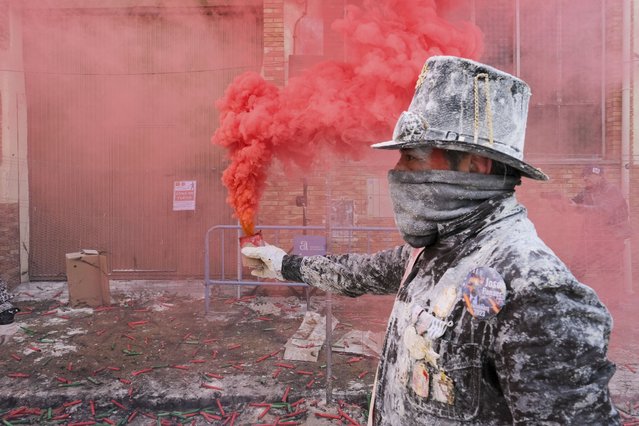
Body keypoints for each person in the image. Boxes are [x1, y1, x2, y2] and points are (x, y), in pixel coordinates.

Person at [242, 56, 619, 424]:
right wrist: (280, 263)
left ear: (476, 164)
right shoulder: (437, 250)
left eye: (411, 157)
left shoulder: (536, 290)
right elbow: (358, 273)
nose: (397, 173)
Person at [569, 164, 631, 308]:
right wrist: (561, 202)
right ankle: (572, 298)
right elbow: (573, 203)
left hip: (611, 238)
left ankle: (614, 304)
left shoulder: (611, 191)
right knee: (577, 266)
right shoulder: (586, 192)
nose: (585, 178)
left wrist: (578, 207)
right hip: (593, 238)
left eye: (589, 175)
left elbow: (604, 211)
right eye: (584, 176)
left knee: (610, 271)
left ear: (599, 176)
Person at [0, 279, 19, 345]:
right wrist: (14, 295)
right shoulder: (2, 283)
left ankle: (4, 337)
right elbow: (4, 297)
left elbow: (3, 297)